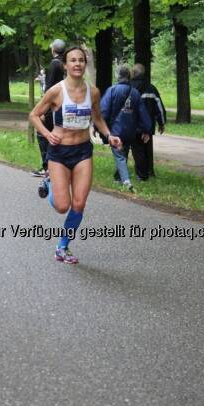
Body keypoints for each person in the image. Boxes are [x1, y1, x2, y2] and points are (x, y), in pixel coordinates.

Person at [29, 45, 121, 265]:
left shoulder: (93, 91)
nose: (77, 64)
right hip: (59, 153)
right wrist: (46, 133)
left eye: (81, 60)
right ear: (65, 65)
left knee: (78, 204)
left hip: (82, 152)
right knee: (62, 206)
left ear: (85, 64)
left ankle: (63, 247)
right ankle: (50, 182)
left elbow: (97, 118)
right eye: (73, 60)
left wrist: (109, 135)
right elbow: (33, 115)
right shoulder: (56, 91)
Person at [100, 65, 152, 192]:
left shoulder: (112, 91)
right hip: (130, 131)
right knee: (122, 152)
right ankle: (119, 177)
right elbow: (142, 112)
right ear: (129, 76)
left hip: (116, 131)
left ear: (117, 76)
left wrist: (99, 127)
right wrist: (147, 129)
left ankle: (124, 180)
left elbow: (104, 111)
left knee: (120, 155)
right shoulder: (135, 92)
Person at [31, 39, 66, 178]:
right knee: (55, 133)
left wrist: (43, 111)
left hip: (51, 106)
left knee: (42, 134)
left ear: (53, 50)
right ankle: (55, 165)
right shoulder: (65, 64)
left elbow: (49, 88)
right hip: (61, 104)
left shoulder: (54, 64)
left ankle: (47, 167)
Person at [130, 63, 166, 180]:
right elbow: (159, 107)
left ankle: (139, 174)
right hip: (147, 125)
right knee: (147, 149)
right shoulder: (151, 88)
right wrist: (161, 123)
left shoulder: (129, 87)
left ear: (134, 73)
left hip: (132, 125)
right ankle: (148, 172)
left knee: (136, 149)